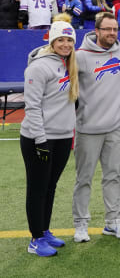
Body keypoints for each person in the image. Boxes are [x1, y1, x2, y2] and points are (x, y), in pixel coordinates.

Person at [72, 13, 120, 243]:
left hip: (115, 127)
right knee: (83, 178)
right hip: (87, 129)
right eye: (107, 29)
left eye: (115, 29)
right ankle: (80, 224)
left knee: (113, 177)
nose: (112, 34)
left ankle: (113, 221)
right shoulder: (80, 56)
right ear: (96, 31)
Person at [20, 21, 78, 257]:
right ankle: (35, 239)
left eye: (69, 40)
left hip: (63, 137)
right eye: (61, 40)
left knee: (50, 187)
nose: (65, 44)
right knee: (37, 189)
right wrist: (40, 140)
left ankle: (44, 230)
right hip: (39, 138)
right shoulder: (39, 67)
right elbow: (32, 107)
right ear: (52, 42)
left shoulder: (69, 64)